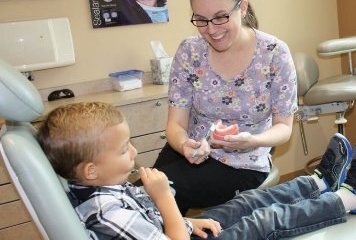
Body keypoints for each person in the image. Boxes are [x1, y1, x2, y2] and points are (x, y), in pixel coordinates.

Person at [37, 101, 356, 239]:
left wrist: (190, 222)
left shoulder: (107, 185)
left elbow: (159, 224)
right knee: (263, 222)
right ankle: (345, 200)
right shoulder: (106, 212)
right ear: (91, 170)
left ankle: (318, 183)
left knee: (244, 204)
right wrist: (162, 197)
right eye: (123, 150)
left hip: (178, 230)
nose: (134, 153)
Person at [153, 0, 298, 214]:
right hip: (189, 148)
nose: (211, 29)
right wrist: (184, 144)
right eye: (201, 19)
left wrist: (254, 141)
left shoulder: (274, 53)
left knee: (158, 197)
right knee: (144, 193)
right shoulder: (190, 52)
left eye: (220, 17)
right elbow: (175, 124)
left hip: (243, 163)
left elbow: (284, 127)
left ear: (242, 8)